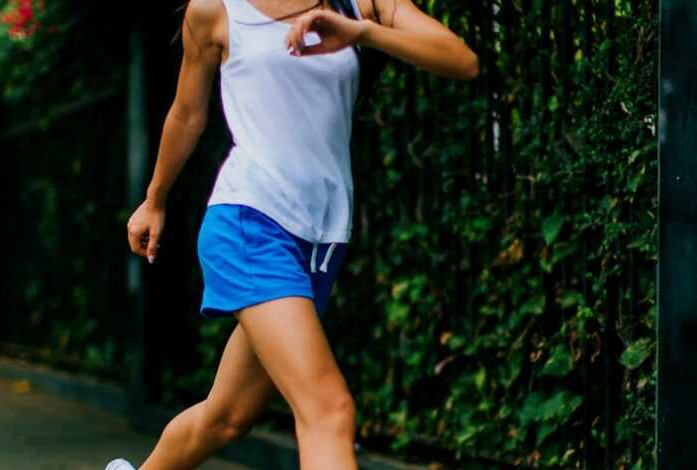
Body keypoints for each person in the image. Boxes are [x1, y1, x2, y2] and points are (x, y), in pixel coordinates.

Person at [110, 0, 477, 468]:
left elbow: (461, 60)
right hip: (250, 224)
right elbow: (187, 114)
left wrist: (361, 34)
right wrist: (155, 199)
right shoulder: (214, 11)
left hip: (319, 241)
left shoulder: (360, 2)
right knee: (329, 410)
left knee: (227, 417)